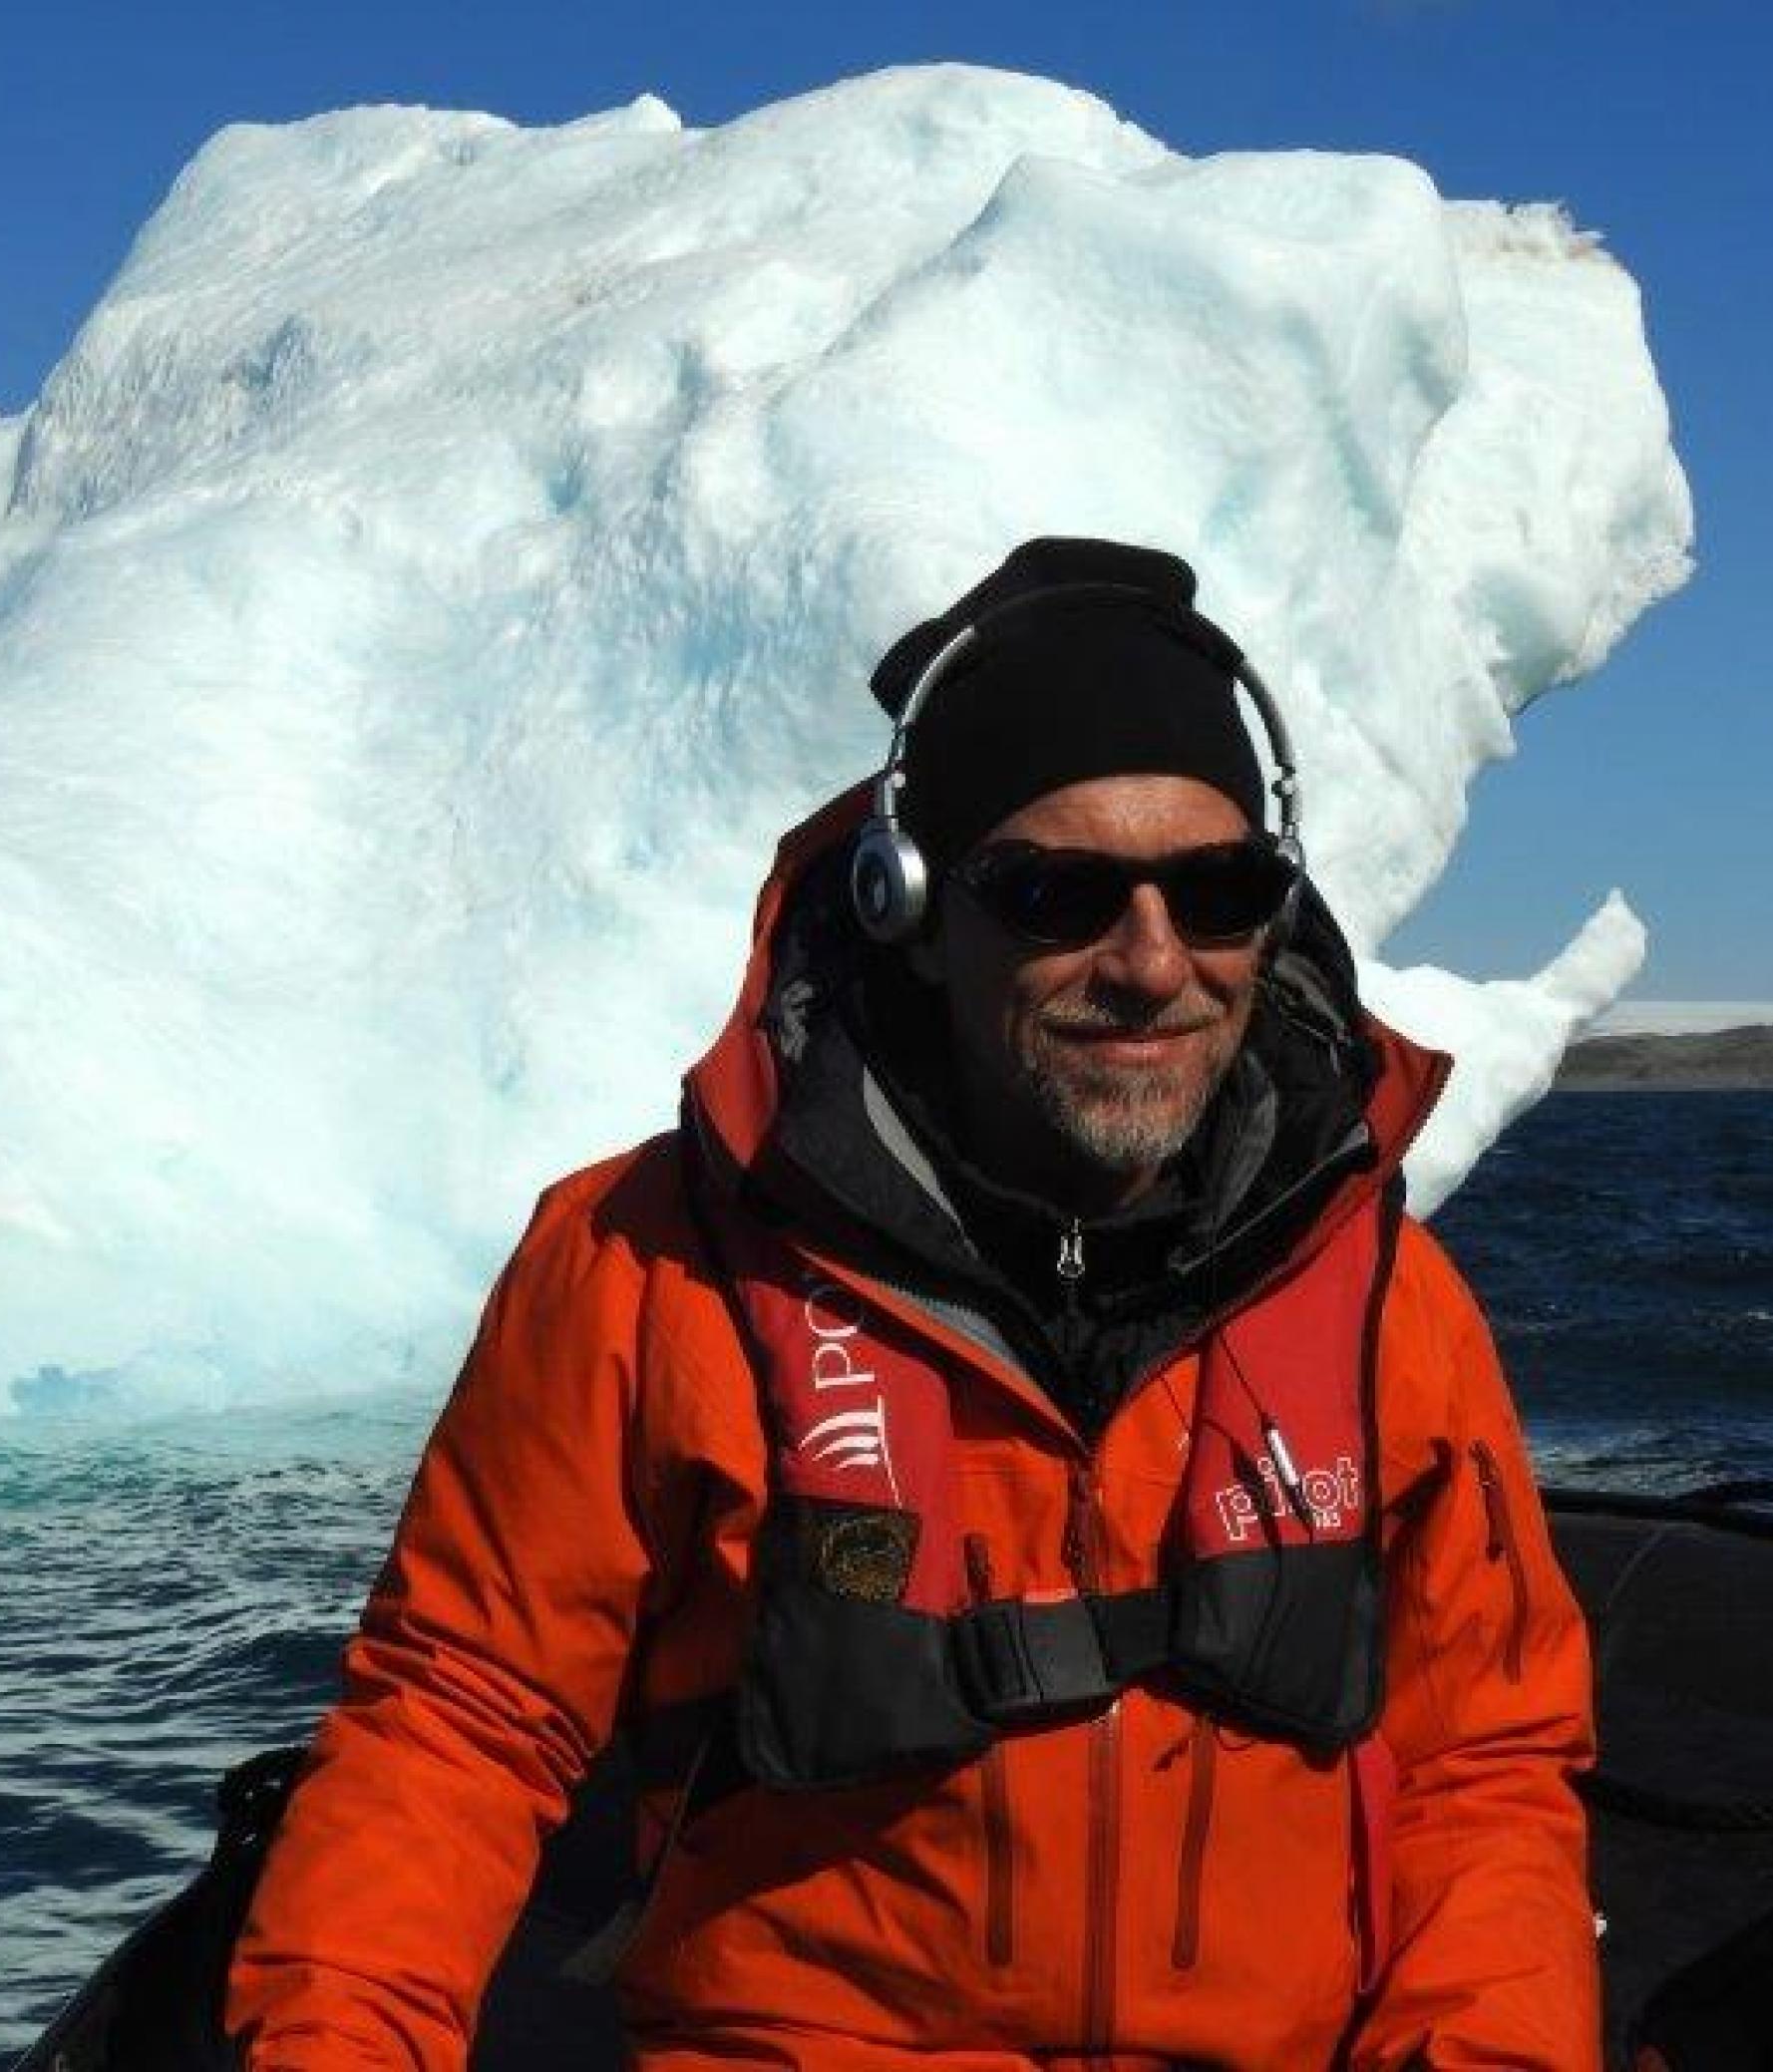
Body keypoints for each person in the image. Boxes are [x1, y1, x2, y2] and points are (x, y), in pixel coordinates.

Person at [225, 538, 1598, 2070]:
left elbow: (1485, 1764)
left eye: (1217, 890)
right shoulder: (646, 1269)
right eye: (1055, 894)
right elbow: (455, 1731)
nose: (1152, 963)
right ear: (917, 906)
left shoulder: (1384, 1303)